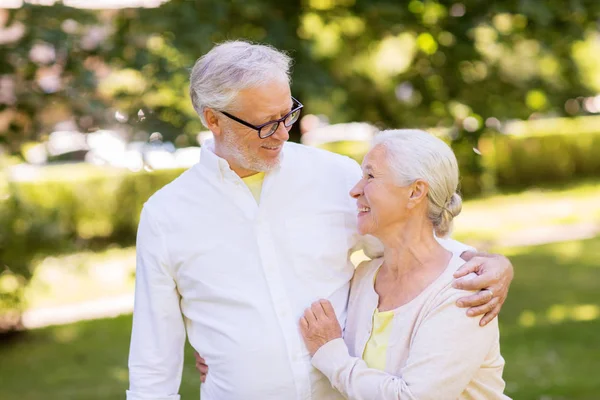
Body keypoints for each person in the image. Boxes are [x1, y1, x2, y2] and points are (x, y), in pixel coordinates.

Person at [127, 41, 514, 400]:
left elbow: (411, 244)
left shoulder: (336, 177)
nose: (283, 133)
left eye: (287, 114)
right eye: (265, 123)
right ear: (214, 119)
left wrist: (491, 265)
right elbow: (152, 363)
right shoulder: (167, 216)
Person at [300, 129, 510, 399]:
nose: (354, 190)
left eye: (370, 176)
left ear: (415, 192)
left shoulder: (464, 290)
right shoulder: (365, 276)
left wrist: (331, 354)